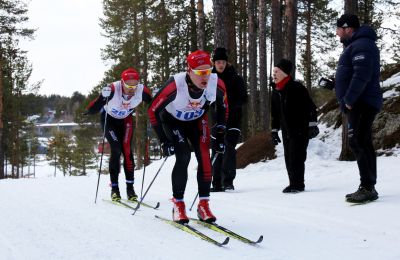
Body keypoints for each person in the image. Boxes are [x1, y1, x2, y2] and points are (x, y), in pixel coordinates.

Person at [148, 50, 228, 224]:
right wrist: (163, 140)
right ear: (189, 71)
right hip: (173, 122)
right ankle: (178, 204)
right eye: (199, 72)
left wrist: (221, 135)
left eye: (208, 70)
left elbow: (223, 108)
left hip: (197, 121)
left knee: (205, 158)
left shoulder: (216, 83)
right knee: (183, 156)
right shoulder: (175, 85)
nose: (204, 76)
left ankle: (204, 204)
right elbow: (153, 110)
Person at [335, 14, 382, 203]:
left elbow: (362, 74)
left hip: (361, 102)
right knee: (363, 142)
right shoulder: (356, 45)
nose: (337, 33)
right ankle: (369, 185)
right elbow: (353, 73)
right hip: (359, 101)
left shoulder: (362, 44)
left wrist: (349, 98)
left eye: (339, 29)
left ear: (348, 28)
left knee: (359, 142)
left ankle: (368, 187)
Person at [86, 68, 152, 202]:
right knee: (116, 150)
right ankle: (115, 189)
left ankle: (130, 189)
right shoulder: (112, 89)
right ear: (122, 82)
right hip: (109, 120)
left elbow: (154, 101)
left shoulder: (141, 90)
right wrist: (101, 98)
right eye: (128, 85)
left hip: (126, 120)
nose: (132, 89)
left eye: (135, 85)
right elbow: (93, 107)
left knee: (127, 152)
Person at [270, 58, 319, 193]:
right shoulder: (276, 91)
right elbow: (275, 114)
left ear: (285, 73)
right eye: (273, 71)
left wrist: (312, 125)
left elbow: (311, 108)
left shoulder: (297, 88)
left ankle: (298, 184)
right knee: (288, 157)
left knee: (296, 156)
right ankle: (293, 183)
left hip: (300, 129)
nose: (273, 74)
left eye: (276, 71)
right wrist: (274, 130)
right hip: (286, 131)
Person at [210, 47, 247, 191]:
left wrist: (231, 106)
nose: (220, 64)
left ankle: (228, 181)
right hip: (217, 120)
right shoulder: (210, 79)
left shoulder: (235, 78)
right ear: (214, 63)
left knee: (229, 148)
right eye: (218, 62)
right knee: (216, 150)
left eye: (223, 62)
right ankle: (217, 183)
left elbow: (243, 98)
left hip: (233, 120)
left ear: (227, 63)